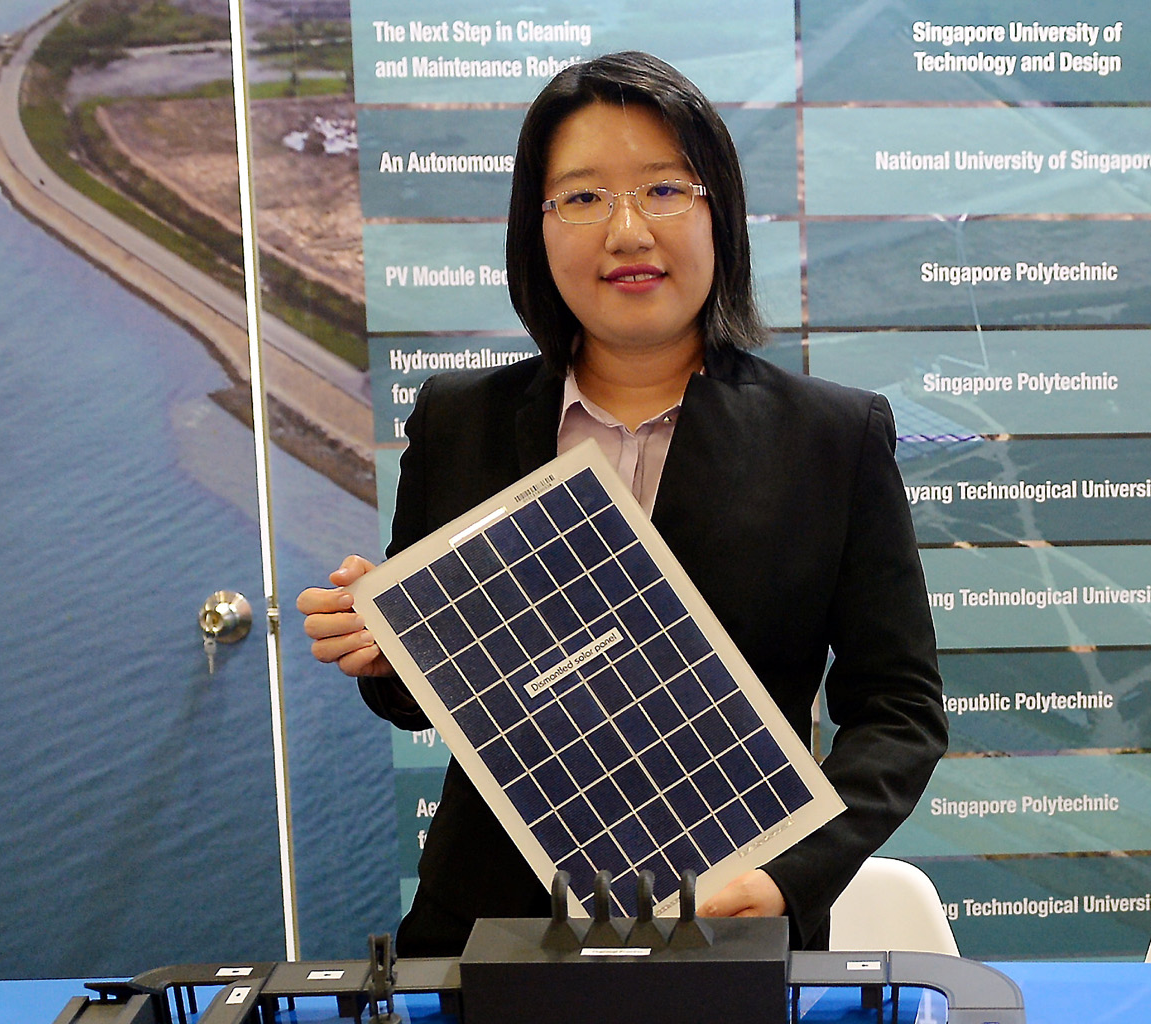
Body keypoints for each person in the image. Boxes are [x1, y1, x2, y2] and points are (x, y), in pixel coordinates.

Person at [298, 51, 947, 956]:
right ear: (538, 226)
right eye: (583, 197)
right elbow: (417, 708)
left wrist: (791, 873)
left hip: (728, 927)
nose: (628, 230)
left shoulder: (832, 437)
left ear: (718, 211)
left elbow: (900, 709)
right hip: (487, 932)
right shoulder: (459, 421)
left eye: (664, 190)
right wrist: (383, 649)